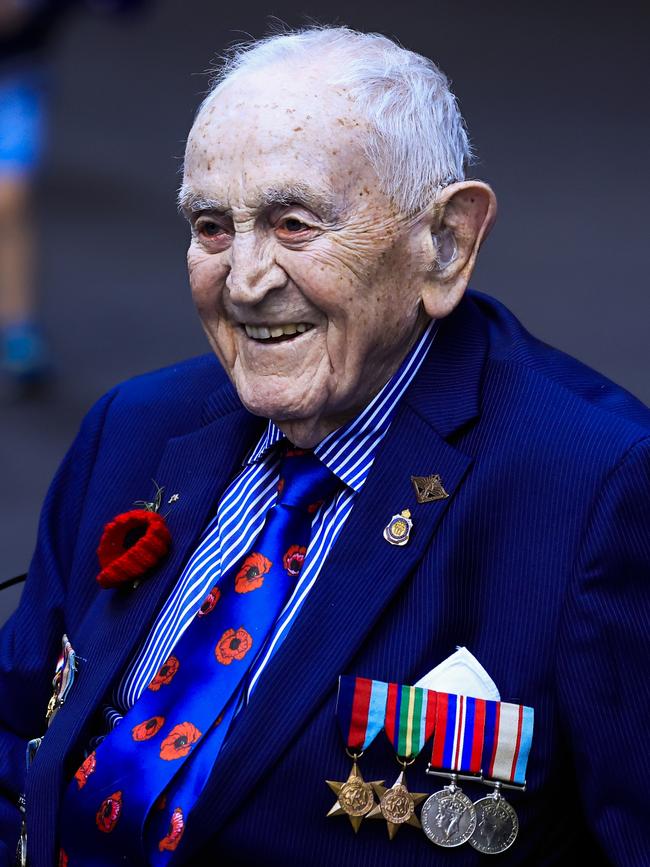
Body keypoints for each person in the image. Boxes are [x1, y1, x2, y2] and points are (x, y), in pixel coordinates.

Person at [1, 25, 649, 867]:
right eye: (212, 227)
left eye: (294, 222)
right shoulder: (132, 429)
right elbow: (17, 734)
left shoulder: (599, 488)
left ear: (445, 243)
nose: (245, 279)